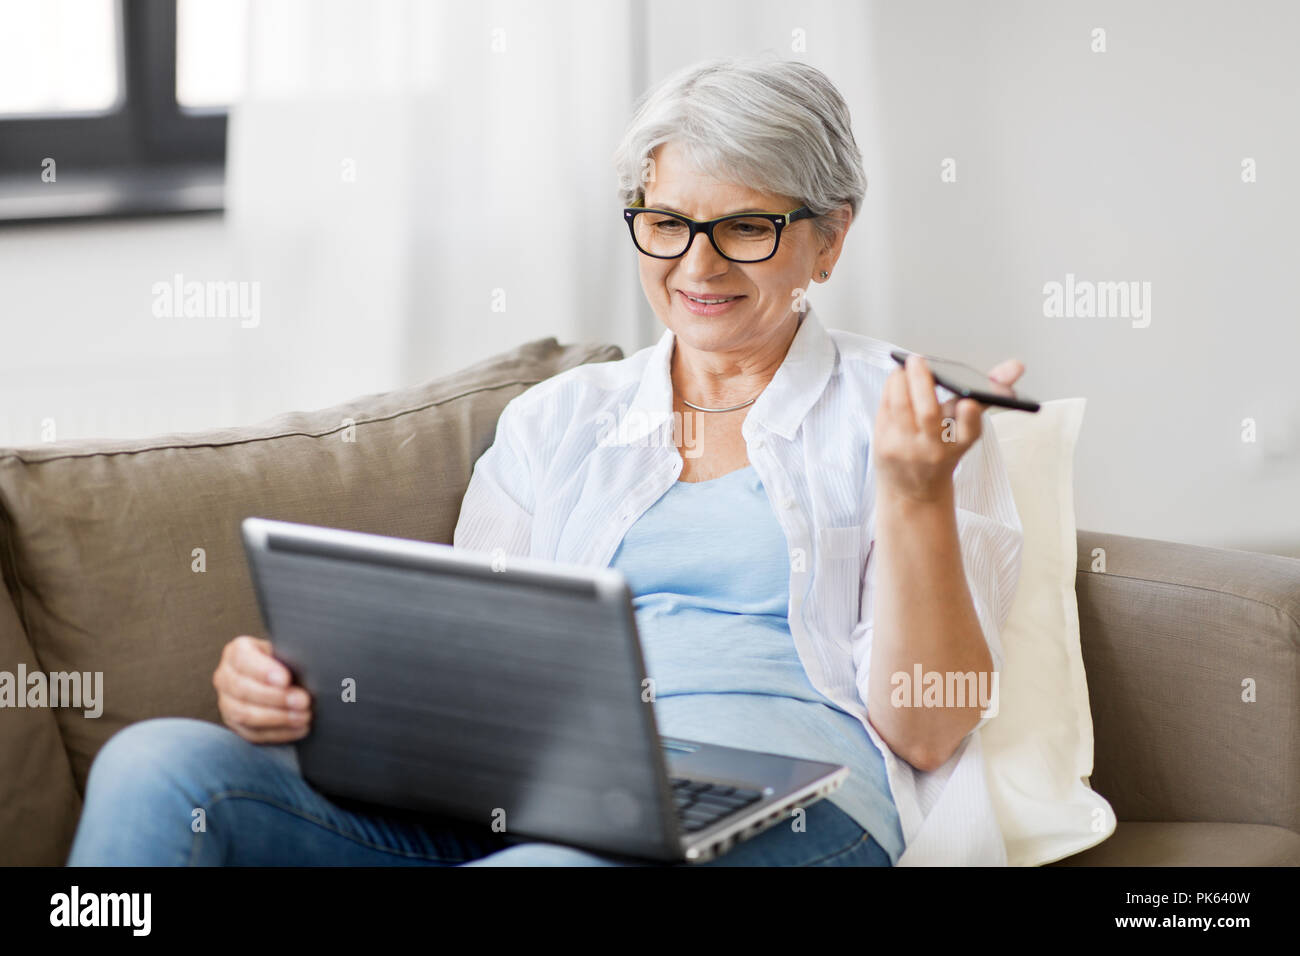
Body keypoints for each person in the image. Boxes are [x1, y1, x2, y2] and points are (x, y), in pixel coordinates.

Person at [68, 52, 1023, 867]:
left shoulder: (910, 418)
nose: (697, 267)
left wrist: (912, 494)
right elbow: (466, 668)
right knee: (157, 767)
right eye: (667, 223)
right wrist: (300, 684)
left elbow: (930, 727)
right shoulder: (555, 422)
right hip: (537, 791)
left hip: (789, 809)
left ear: (829, 238)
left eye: (745, 227)